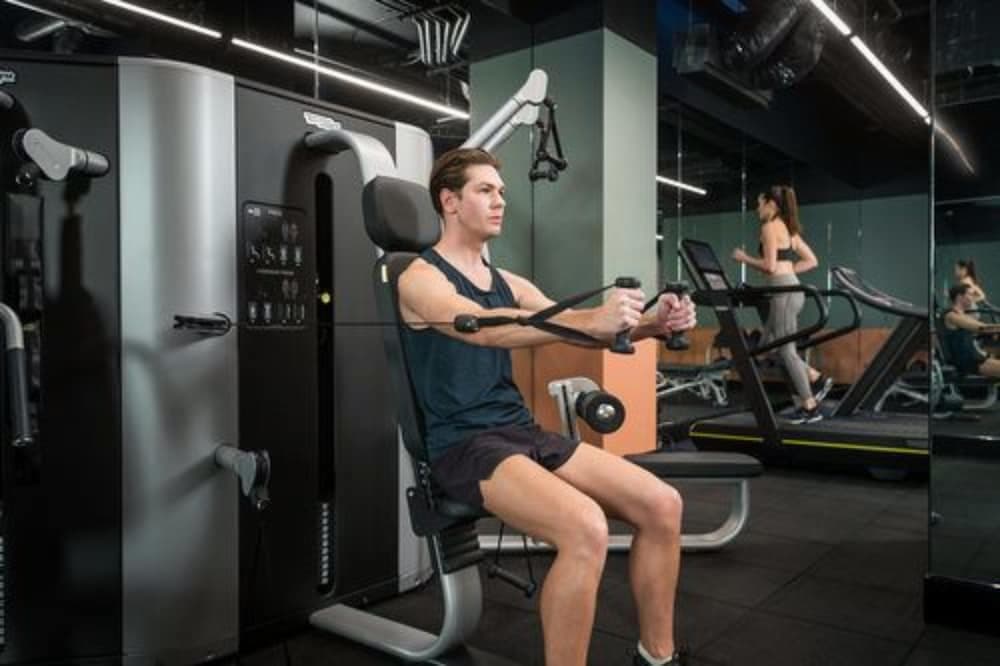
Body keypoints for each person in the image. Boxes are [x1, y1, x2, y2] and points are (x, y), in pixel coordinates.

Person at [396, 148, 697, 666]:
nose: (500, 201)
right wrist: (590, 321)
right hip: (464, 446)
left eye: (501, 192)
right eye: (485, 190)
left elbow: (576, 326)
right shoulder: (419, 278)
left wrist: (653, 324)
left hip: (520, 431)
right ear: (449, 201)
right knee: (585, 528)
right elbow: (479, 328)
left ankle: (658, 656)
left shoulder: (509, 282)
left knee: (662, 504)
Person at [731, 184, 830, 424]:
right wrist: (790, 271)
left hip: (784, 294)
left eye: (759, 203)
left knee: (785, 350)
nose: (757, 209)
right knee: (769, 344)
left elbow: (770, 266)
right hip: (789, 291)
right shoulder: (788, 229)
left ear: (771, 204)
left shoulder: (769, 227)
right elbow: (812, 261)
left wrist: (744, 258)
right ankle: (813, 377)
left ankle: (810, 406)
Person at [941, 283, 1000, 379]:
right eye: (970, 294)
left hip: (974, 358)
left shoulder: (963, 315)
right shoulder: (951, 315)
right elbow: (982, 328)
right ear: (960, 297)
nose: (973, 298)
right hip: (967, 362)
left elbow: (982, 329)